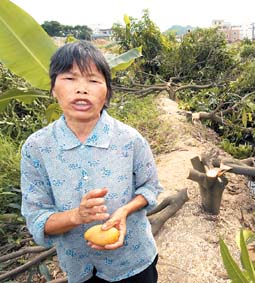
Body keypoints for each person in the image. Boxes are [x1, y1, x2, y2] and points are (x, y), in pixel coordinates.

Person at [20, 40, 163, 283]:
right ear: (53, 88)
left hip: (134, 261)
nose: (81, 89)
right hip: (77, 267)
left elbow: (150, 188)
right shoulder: (36, 148)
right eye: (70, 78)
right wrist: (76, 216)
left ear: (107, 90)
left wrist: (125, 210)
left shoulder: (130, 140)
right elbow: (37, 217)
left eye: (93, 80)